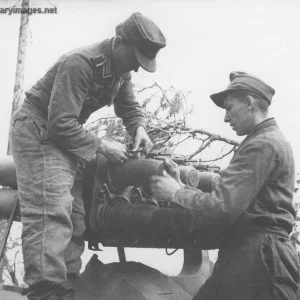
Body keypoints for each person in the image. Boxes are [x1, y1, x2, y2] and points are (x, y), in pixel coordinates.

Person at [10, 12, 166, 300]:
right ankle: (47, 290)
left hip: (65, 136)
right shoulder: (80, 62)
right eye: (136, 59)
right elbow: (59, 124)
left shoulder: (120, 70)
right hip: (39, 130)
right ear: (118, 42)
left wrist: (140, 129)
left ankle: (66, 284)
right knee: (51, 208)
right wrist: (103, 146)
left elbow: (129, 107)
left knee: (76, 214)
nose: (137, 68)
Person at [150, 71, 300, 300]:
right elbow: (230, 199)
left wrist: (176, 193)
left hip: (257, 260)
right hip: (252, 255)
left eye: (229, 108)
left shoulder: (262, 144)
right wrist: (181, 185)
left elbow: (220, 207)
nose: (226, 118)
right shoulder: (269, 140)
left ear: (249, 103)